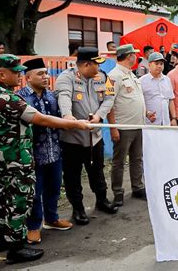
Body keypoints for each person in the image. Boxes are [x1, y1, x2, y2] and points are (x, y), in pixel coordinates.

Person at [0, 54, 89, 264]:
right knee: (18, 201)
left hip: (2, 156)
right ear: (2, 74)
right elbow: (40, 119)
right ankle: (16, 249)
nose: (19, 75)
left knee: (4, 200)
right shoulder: (7, 98)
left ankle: (2, 240)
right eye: (15, 72)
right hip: (15, 159)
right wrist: (75, 124)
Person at [55, 47, 118, 226]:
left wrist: (99, 116)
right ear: (85, 64)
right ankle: (78, 208)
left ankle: (102, 200)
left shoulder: (104, 77)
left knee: (97, 170)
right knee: (73, 175)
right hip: (72, 138)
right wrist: (67, 116)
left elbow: (109, 98)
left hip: (94, 137)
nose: (98, 69)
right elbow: (64, 96)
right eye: (95, 65)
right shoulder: (66, 78)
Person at [17, 58, 73, 245]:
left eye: (46, 73)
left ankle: (51, 219)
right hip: (33, 156)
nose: (46, 77)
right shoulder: (21, 98)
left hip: (54, 152)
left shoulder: (51, 96)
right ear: (28, 77)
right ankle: (33, 226)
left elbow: (58, 120)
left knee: (54, 188)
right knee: (34, 193)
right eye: (40, 74)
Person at [108, 44, 153, 207]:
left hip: (138, 125)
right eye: (134, 54)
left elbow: (136, 99)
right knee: (119, 161)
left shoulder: (132, 75)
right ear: (129, 56)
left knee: (137, 158)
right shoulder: (113, 76)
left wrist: (147, 113)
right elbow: (109, 104)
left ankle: (137, 187)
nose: (136, 57)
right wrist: (113, 127)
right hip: (123, 127)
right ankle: (118, 192)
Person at [140, 52, 177, 126]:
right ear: (149, 65)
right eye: (156, 64)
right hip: (150, 123)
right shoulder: (141, 81)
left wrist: (174, 118)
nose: (159, 66)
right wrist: (147, 113)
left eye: (161, 64)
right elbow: (139, 102)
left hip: (166, 122)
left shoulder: (167, 80)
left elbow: (170, 100)